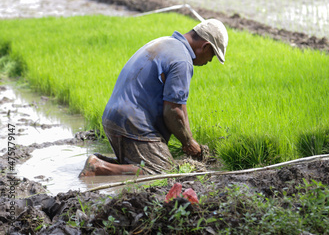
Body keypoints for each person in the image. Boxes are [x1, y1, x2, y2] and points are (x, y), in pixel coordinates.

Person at [78, 18, 228, 177]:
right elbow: (173, 111)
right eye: (212, 55)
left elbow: (180, 106)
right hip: (133, 123)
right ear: (206, 46)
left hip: (114, 117)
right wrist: (188, 143)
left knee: (140, 165)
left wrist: (190, 139)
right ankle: (98, 167)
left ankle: (102, 162)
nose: (209, 61)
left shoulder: (166, 43)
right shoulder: (183, 61)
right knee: (162, 174)